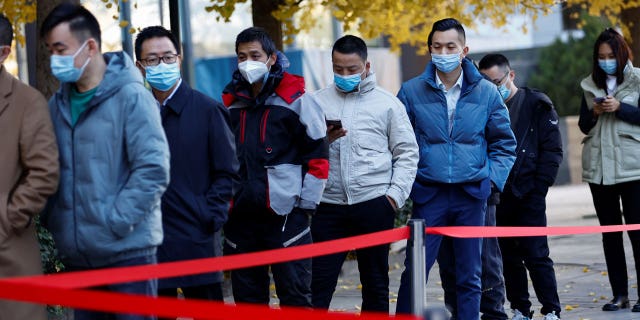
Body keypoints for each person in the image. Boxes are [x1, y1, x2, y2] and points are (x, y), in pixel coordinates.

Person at [40, 4, 170, 320]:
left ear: (91, 46)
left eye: (61, 49)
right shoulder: (55, 106)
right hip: (79, 257)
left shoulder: (131, 96)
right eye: (50, 51)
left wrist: (115, 222)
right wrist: (54, 218)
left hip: (128, 253)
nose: (55, 60)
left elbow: (153, 169)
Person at [394, 18, 517, 320]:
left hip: (471, 195)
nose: (443, 52)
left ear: (464, 50)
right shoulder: (410, 92)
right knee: (415, 272)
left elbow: (504, 143)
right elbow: (398, 144)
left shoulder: (487, 92)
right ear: (430, 49)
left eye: (450, 46)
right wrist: (410, 185)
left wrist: (492, 181)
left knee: (470, 276)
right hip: (429, 194)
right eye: (437, 46)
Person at [310, 35, 419, 313]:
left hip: (374, 204)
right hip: (328, 207)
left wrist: (392, 198)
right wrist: (324, 141)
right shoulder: (316, 102)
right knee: (316, 285)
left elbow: (407, 153)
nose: (344, 75)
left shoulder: (388, 104)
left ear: (367, 66)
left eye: (352, 69)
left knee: (375, 285)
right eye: (338, 69)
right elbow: (301, 153)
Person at [221, 27, 329, 307]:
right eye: (241, 56)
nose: (248, 62)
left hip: (286, 216)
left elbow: (318, 158)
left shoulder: (298, 101)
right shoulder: (231, 104)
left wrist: (306, 207)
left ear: (271, 58)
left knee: (294, 297)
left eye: (255, 55)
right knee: (248, 301)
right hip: (241, 219)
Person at [134, 26, 238, 312]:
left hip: (197, 238)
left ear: (179, 60)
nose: (162, 64)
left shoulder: (206, 110)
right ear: (139, 66)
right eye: (153, 60)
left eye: (168, 57)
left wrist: (209, 215)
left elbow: (227, 172)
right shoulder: (135, 113)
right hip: (149, 242)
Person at [479, 53, 563, 320]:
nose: (494, 89)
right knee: (508, 258)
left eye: (497, 82)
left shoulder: (536, 104)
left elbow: (552, 150)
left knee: (536, 255)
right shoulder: (484, 109)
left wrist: (540, 189)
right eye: (486, 84)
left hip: (529, 193)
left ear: (511, 75)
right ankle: (519, 309)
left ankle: (551, 309)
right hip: (499, 195)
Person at [0, 13, 59, 320]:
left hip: (9, 256)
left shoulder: (27, 102)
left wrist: (6, 218)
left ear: (4, 52)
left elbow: (44, 173)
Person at [578, 28, 640, 313]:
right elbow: (583, 125)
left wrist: (620, 108)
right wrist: (594, 113)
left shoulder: (638, 79)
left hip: (632, 169)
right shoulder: (589, 84)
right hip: (599, 170)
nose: (606, 61)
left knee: (637, 233)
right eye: (601, 57)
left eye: (610, 55)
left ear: (621, 53)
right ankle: (620, 295)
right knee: (610, 233)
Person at [437, 191, 507, 320]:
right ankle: (457, 312)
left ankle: (494, 313)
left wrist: (492, 183)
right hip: (442, 193)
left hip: (481, 193)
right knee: (448, 262)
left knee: (487, 260)